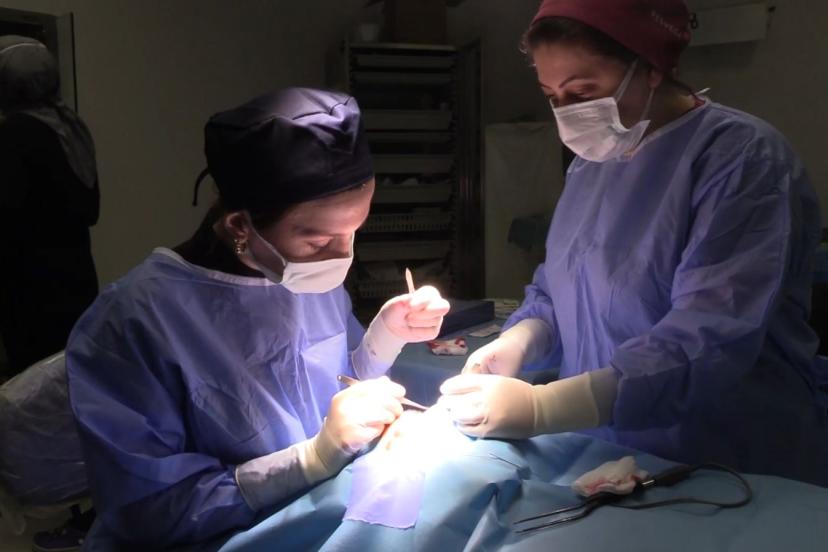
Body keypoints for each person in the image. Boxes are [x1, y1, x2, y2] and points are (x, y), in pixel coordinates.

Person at [439, 0, 828, 487]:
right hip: (605, 447)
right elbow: (562, 291)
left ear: (651, 68)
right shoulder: (593, 163)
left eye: (583, 92)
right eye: (552, 96)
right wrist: (521, 340)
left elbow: (708, 339)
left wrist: (544, 407)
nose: (567, 114)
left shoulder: (742, 161)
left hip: (725, 458)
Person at [66, 88, 450, 549]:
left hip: (307, 516)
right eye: (319, 241)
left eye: (354, 231)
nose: (342, 255)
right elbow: (147, 509)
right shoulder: (134, 322)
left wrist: (385, 336)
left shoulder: (305, 276)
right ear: (239, 226)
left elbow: (330, 385)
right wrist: (308, 460)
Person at [0, 35, 99, 376]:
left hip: (31, 291)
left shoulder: (15, 133)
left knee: (31, 387)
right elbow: (90, 209)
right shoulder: (70, 127)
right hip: (75, 280)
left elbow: (9, 215)